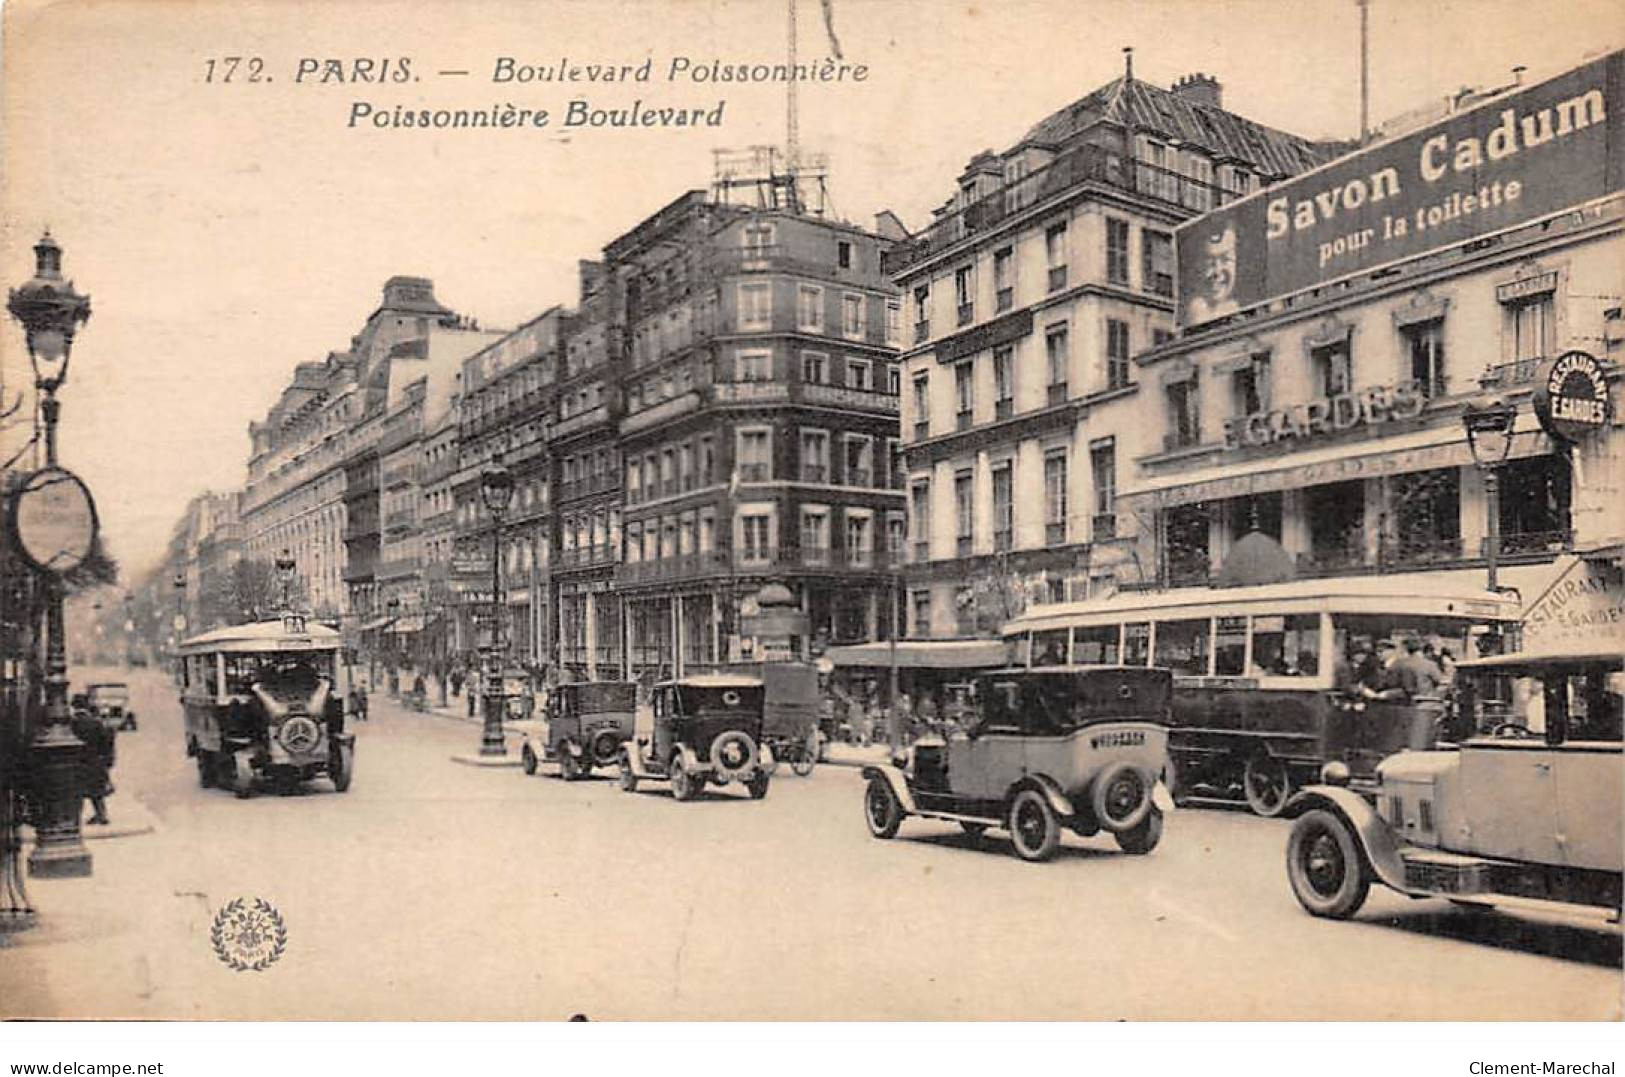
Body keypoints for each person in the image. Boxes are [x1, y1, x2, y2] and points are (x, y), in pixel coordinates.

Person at [69, 699, 114, 826]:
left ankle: (75, 818)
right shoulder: (96, 723)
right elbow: (106, 742)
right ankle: (101, 815)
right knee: (96, 793)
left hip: (77, 762)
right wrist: (106, 760)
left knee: (77, 792)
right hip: (95, 761)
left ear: (74, 706)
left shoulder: (71, 723)